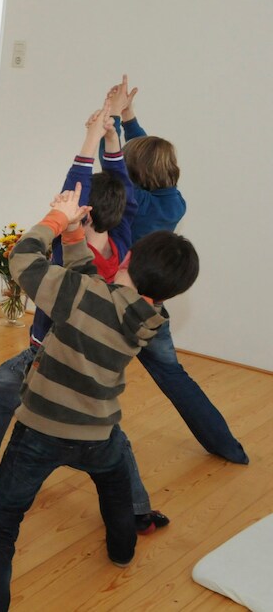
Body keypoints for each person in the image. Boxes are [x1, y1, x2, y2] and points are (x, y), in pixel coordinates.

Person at [0, 104, 174, 532]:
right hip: (100, 366)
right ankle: (136, 511)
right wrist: (112, 140)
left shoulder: (67, 251)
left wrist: (92, 136)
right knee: (110, 436)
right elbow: (123, 191)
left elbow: (73, 188)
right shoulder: (122, 241)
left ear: (81, 212)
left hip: (52, 356)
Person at [0, 188, 200, 611]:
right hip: (99, 429)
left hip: (41, 427)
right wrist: (77, 234)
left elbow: (22, 259)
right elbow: (91, 286)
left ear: (128, 259)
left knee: (1, 516)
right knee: (115, 487)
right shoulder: (146, 318)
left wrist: (56, 220)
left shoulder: (83, 297)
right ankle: (122, 550)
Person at [104, 75, 248, 465]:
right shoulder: (174, 202)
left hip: (113, 306)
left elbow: (115, 163)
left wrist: (113, 121)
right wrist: (131, 119)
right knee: (174, 377)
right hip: (151, 309)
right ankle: (227, 447)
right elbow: (145, 162)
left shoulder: (132, 203)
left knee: (71, 366)